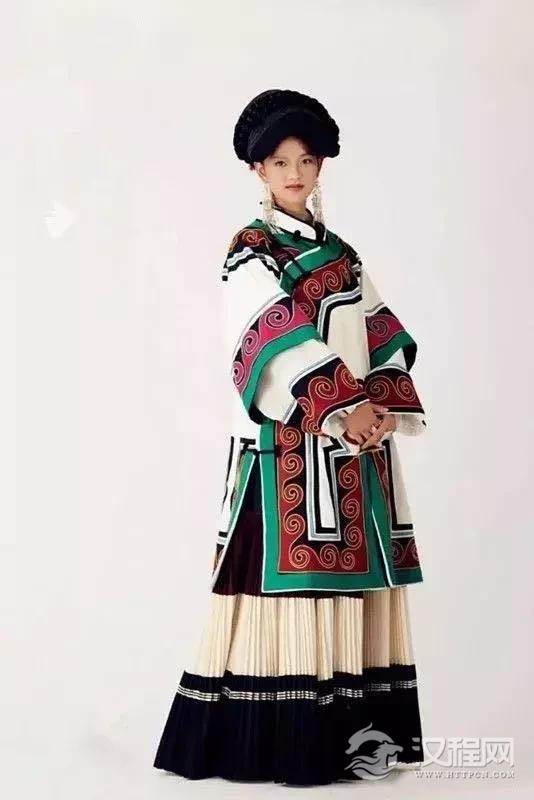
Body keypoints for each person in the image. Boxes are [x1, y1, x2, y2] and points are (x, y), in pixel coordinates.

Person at [153, 88, 428, 786]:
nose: (295, 173)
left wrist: (381, 403)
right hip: (286, 454)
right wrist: (341, 405)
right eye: (279, 162)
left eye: (306, 160)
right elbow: (267, 337)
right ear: (258, 170)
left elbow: (381, 330)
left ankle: (353, 741)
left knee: (355, 587)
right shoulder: (253, 251)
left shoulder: (343, 255)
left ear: (322, 165)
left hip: (355, 451)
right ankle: (272, 744)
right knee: (279, 590)